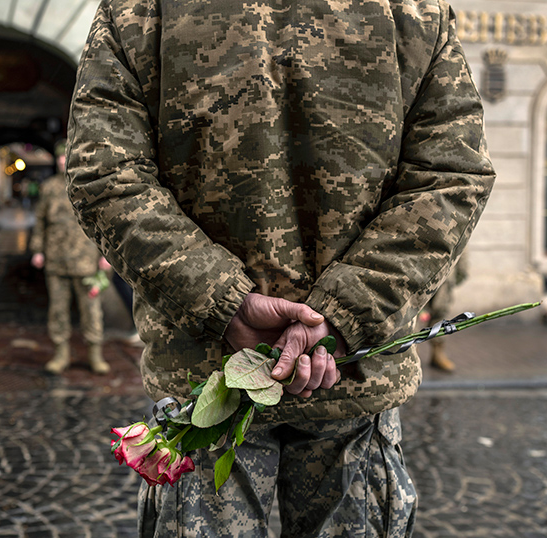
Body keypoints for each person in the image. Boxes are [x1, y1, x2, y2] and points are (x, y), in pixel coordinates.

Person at [67, 1, 495, 536]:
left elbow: (105, 173)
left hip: (209, 370)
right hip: (342, 373)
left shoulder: (140, 10)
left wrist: (222, 302)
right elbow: (451, 177)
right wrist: (336, 318)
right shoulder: (410, 9)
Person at [30, 141, 110, 375]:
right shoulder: (48, 188)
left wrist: (105, 254)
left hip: (87, 261)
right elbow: (40, 221)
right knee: (57, 310)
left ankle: (95, 354)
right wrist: (37, 250)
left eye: (66, 157)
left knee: (91, 311)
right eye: (59, 158)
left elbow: (103, 223)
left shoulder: (91, 186)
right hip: (56, 260)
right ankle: (61, 354)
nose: (62, 161)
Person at [423, 254, 469, 372]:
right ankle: (411, 354)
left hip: (445, 275)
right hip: (419, 272)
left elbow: (462, 248)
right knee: (413, 316)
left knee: (440, 315)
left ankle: (437, 353)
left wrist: (457, 275)